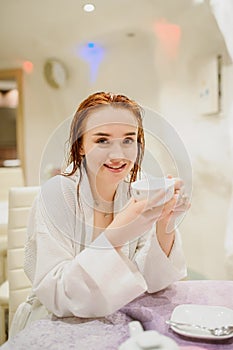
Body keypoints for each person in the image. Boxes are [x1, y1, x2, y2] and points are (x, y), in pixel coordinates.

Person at [10, 92, 189, 336]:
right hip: (57, 322)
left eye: (128, 140)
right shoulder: (56, 196)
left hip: (120, 316)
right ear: (81, 144)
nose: (118, 154)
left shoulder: (138, 190)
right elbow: (58, 294)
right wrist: (117, 234)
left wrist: (164, 224)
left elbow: (153, 282)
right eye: (102, 140)